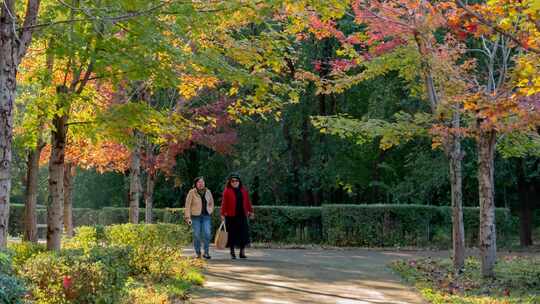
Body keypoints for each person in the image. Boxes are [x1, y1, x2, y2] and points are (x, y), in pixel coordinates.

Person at [220, 173, 254, 259]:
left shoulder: (244, 190)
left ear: (239, 182)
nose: (235, 182)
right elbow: (224, 203)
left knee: (243, 233)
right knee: (232, 234)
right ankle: (232, 252)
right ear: (230, 182)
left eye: (236, 181)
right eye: (233, 181)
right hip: (231, 216)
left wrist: (251, 211)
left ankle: (242, 252)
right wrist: (222, 214)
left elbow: (248, 202)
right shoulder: (227, 191)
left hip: (242, 215)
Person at [184, 176, 214, 259]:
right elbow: (187, 205)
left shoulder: (208, 192)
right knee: (196, 235)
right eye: (199, 182)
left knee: (207, 234)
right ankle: (198, 253)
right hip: (195, 217)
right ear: (196, 184)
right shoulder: (192, 192)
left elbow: (211, 203)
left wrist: (210, 210)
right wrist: (187, 217)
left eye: (202, 182)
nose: (201, 184)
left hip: (206, 216)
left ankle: (206, 252)